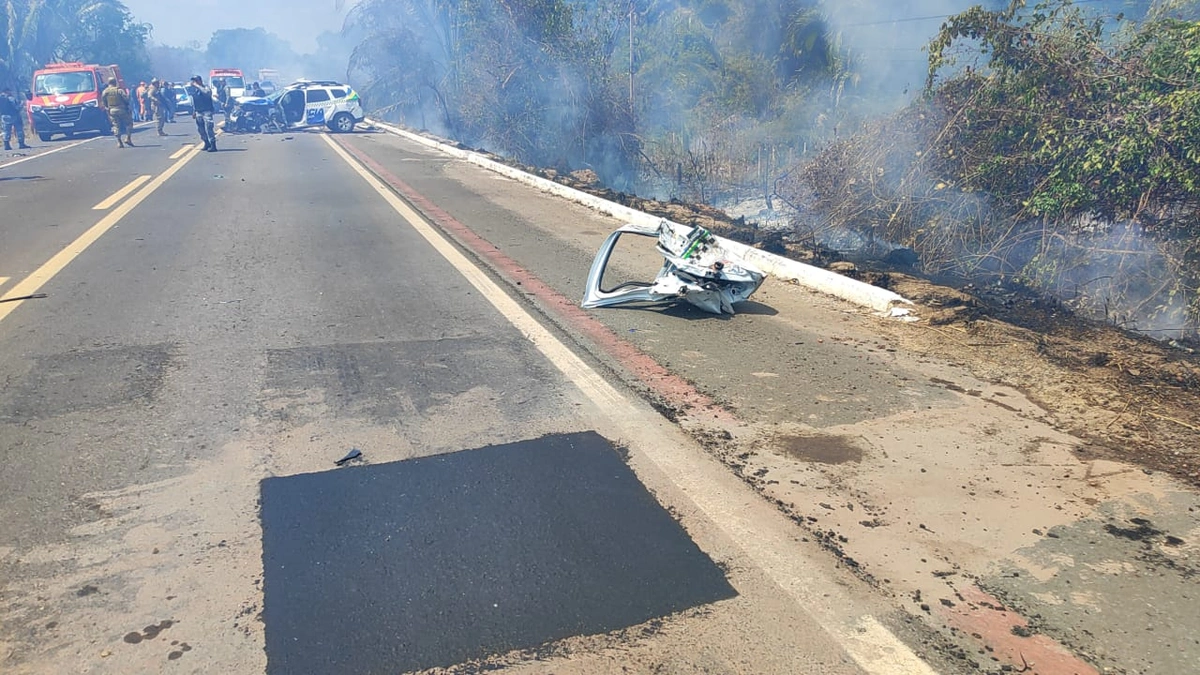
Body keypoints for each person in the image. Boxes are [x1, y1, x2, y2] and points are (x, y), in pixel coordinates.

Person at [100, 77, 134, 148]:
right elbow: (126, 99)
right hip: (122, 109)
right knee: (129, 123)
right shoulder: (119, 90)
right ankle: (128, 138)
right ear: (115, 82)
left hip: (112, 110)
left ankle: (119, 142)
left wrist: (108, 108)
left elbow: (103, 101)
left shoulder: (105, 91)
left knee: (116, 126)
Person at [187, 75, 217, 152]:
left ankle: (213, 144)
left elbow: (207, 93)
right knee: (201, 129)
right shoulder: (194, 90)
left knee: (209, 127)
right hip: (198, 111)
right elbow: (193, 100)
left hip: (207, 110)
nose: (194, 82)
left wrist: (197, 86)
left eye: (196, 81)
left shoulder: (205, 88)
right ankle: (206, 142)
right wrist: (194, 111)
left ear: (200, 81)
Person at [0, 86, 30, 151]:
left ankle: (7, 145)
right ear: (7, 91)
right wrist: (21, 104)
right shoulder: (11, 98)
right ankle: (21, 144)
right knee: (19, 130)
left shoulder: (1, 98)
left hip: (4, 117)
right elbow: (17, 108)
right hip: (14, 116)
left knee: (6, 131)